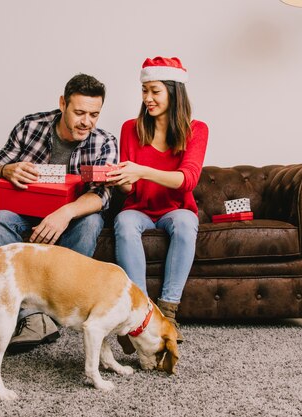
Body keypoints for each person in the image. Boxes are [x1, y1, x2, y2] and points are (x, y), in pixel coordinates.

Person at [0, 73, 118, 353]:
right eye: (80, 112)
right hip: (26, 218)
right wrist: (7, 170)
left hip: (70, 224)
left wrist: (65, 213)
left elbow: (102, 195)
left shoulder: (104, 141)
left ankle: (59, 304)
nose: (87, 122)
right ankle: (33, 317)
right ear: (63, 104)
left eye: (94, 114)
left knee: (92, 221)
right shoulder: (30, 125)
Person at [108, 57, 208, 342]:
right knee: (124, 222)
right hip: (138, 208)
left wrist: (141, 171)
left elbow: (187, 180)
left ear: (174, 92)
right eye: (144, 91)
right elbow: (129, 188)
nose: (147, 98)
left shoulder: (196, 130)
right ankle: (141, 311)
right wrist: (123, 182)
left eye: (155, 91)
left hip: (175, 209)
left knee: (186, 223)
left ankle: (168, 310)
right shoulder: (131, 128)